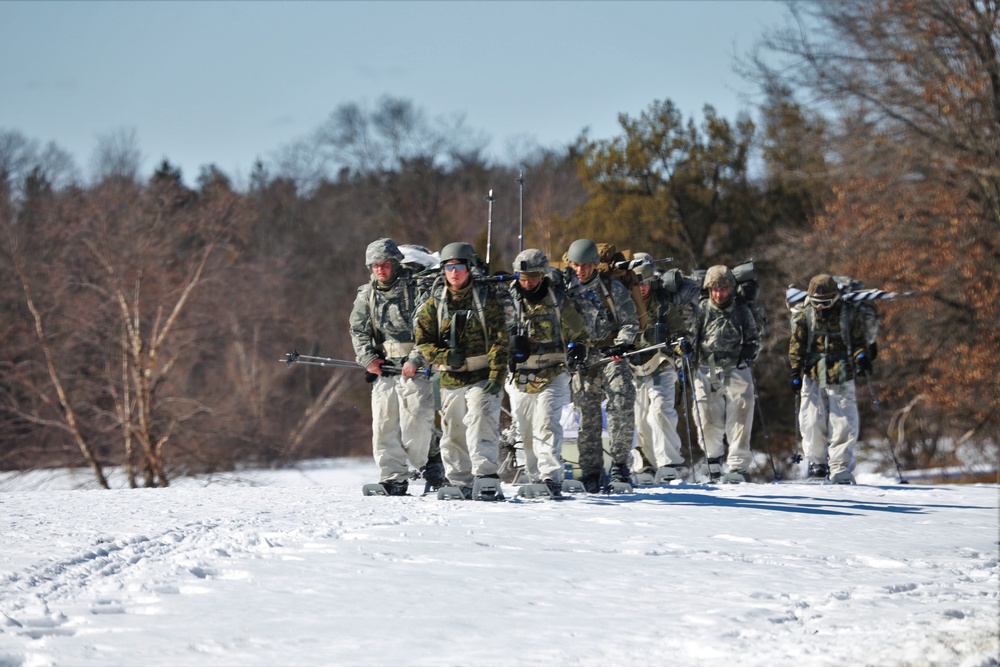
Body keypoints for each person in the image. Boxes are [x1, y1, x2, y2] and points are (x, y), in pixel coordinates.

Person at [414, 242, 509, 500]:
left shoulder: (486, 300)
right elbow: (423, 341)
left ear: (469, 268)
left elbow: (501, 339)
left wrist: (497, 376)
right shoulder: (436, 303)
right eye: (449, 268)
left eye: (459, 267)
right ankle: (458, 480)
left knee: (481, 420)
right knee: (453, 428)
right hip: (450, 376)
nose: (454, 273)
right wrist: (443, 355)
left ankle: (487, 476)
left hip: (482, 374)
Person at [349, 238, 439, 496]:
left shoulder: (418, 287)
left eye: (385, 264)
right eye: (375, 265)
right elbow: (358, 329)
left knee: (416, 425)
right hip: (385, 368)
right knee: (384, 425)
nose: (381, 270)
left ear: (395, 263)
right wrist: (368, 359)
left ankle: (433, 455)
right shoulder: (367, 294)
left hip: (416, 368)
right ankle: (393, 477)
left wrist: (416, 360)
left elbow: (431, 329)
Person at [507, 248, 590, 497]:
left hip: (554, 372)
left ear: (543, 274)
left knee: (546, 423)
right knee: (525, 429)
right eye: (523, 277)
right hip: (521, 374)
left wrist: (578, 349)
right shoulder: (510, 299)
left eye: (532, 276)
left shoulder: (558, 299)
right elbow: (496, 331)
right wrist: (510, 346)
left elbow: (579, 332)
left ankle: (550, 476)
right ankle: (534, 476)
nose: (528, 282)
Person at [564, 238, 639, 492]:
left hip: (610, 354)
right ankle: (591, 470)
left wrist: (622, 344)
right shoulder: (566, 291)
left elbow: (631, 321)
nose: (580, 270)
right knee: (587, 416)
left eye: (585, 265)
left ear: (595, 265)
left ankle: (619, 465)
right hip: (583, 358)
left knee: (621, 404)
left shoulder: (612, 289)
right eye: (576, 265)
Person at [788, 274, 869, 484]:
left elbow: (860, 341)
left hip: (841, 372)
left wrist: (861, 356)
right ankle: (817, 464)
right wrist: (795, 371)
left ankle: (841, 467)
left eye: (826, 303)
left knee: (843, 421)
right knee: (811, 420)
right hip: (813, 372)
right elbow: (796, 344)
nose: (821, 308)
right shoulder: (806, 315)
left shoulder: (848, 315)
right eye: (817, 303)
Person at [691, 265, 760, 483]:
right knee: (707, 413)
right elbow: (692, 337)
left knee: (741, 411)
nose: (719, 294)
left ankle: (738, 466)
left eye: (723, 289)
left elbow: (753, 336)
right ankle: (713, 458)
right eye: (714, 290)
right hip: (709, 366)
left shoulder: (741, 309)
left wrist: (750, 349)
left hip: (735, 366)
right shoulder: (701, 310)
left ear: (731, 289)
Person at [628, 254, 691, 483]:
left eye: (645, 283)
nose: (641, 288)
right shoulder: (625, 303)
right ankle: (644, 463)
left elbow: (682, 332)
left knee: (661, 410)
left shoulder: (663, 304)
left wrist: (682, 344)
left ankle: (670, 462)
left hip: (661, 363)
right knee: (639, 417)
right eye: (637, 283)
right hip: (634, 366)